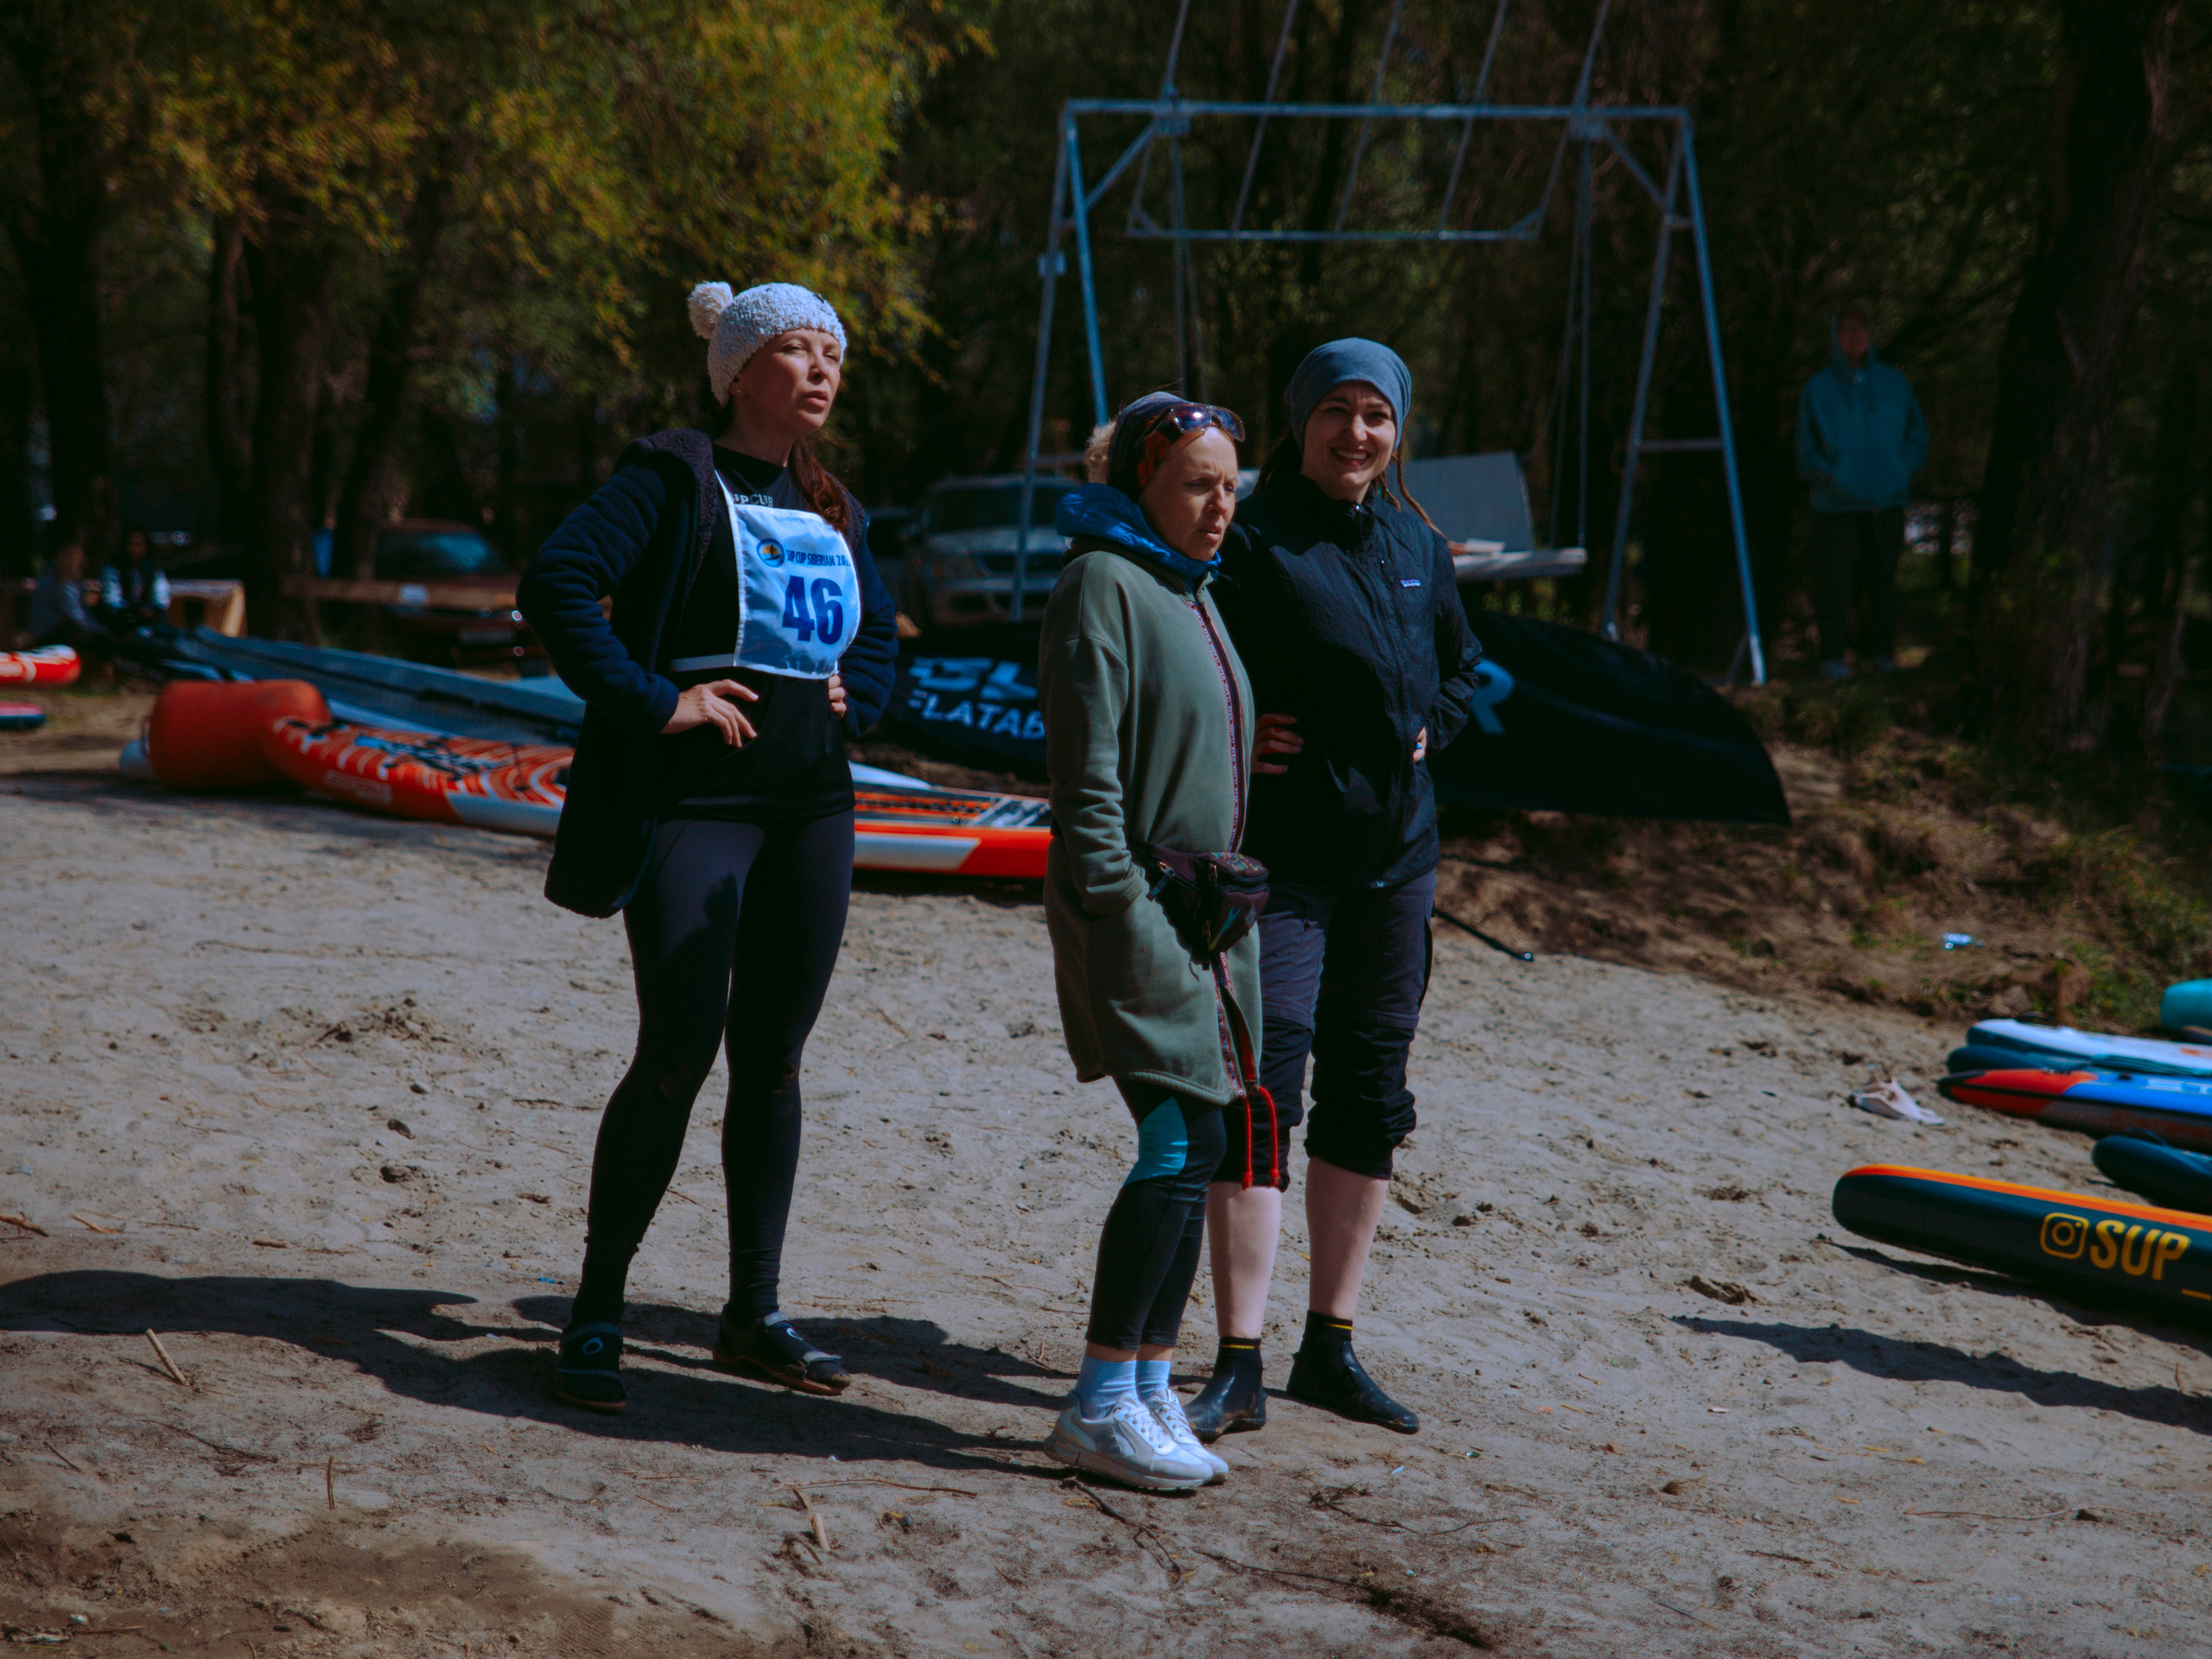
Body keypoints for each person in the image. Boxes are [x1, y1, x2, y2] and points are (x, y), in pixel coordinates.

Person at [517, 280, 898, 1414]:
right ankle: (595, 1311)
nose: (822, 370)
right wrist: (654, 701)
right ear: (738, 371)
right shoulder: (671, 474)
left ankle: (753, 1315)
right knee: (678, 1047)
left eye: (833, 352)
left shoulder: (833, 502)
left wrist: (854, 697)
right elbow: (558, 584)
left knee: (774, 1059)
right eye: (796, 350)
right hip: (696, 810)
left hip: (811, 816)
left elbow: (877, 633)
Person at [1191, 340, 1483, 1442]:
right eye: (1335, 412)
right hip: (1284, 863)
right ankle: (1236, 1359)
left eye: (1375, 415)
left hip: (1397, 865)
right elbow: (1191, 647)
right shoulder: (1250, 532)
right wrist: (1239, 719)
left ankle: (1330, 1347)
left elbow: (1462, 668)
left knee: (1371, 1089)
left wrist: (1428, 731)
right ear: (1299, 418)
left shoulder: (1415, 543)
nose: (1354, 433)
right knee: (1263, 1090)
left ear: (1396, 429)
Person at [1037, 391, 1258, 1492]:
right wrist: (1122, 909)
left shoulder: (1189, 586)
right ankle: (1093, 1402)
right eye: (1196, 486)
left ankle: (1145, 1385)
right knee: (1174, 1144)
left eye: (1230, 486)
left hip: (1209, 922)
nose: (1220, 507)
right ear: (1141, 487)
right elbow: (1083, 786)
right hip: (1136, 915)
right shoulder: (1102, 582)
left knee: (1208, 1146)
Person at [1794, 303, 1928, 679]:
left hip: (1885, 502)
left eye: (1861, 328)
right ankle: (1833, 656)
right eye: (1847, 329)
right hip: (1835, 505)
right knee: (1834, 580)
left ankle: (1882, 652)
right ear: (1835, 337)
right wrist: (1832, 477)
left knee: (1882, 578)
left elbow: (1917, 435)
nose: (1855, 336)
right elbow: (1806, 451)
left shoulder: (1893, 384)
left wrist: (1899, 469)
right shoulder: (1818, 389)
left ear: (1871, 335)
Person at [27, 539, 108, 663]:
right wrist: (102, 631)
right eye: (75, 557)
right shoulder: (58, 581)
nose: (79, 562)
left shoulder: (70, 581)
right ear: (62, 557)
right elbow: (75, 617)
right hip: (48, 633)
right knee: (94, 639)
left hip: (60, 629)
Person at [99, 529, 172, 630]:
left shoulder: (152, 568)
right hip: (122, 619)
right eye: (131, 544)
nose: (135, 549)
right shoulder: (113, 568)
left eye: (139, 544)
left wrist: (151, 609)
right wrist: (134, 610)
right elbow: (111, 599)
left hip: (149, 619)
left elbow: (161, 597)